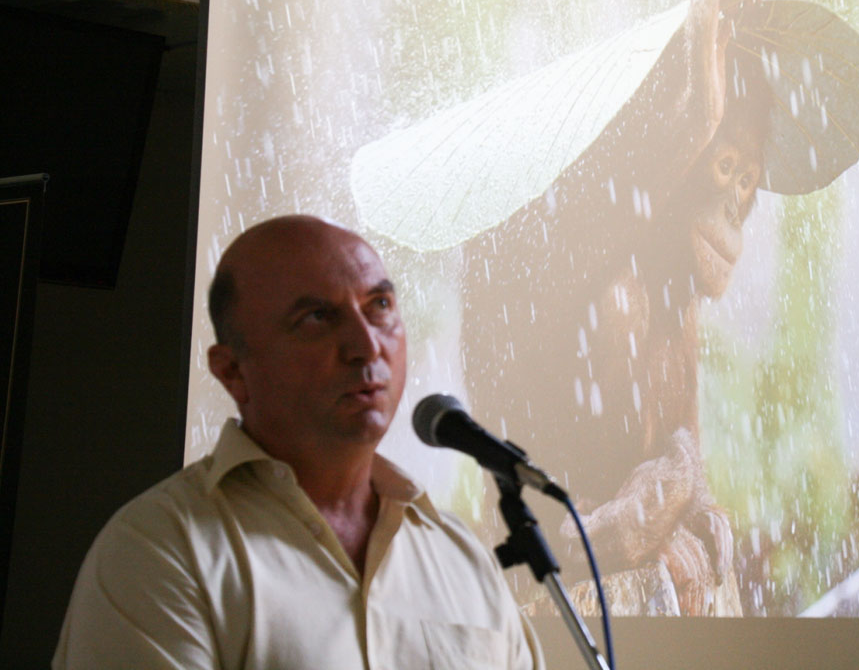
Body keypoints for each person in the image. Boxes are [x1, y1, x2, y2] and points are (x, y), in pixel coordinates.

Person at [53, 215, 543, 669]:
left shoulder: (461, 557)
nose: (366, 346)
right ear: (232, 371)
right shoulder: (160, 548)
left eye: (379, 306)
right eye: (316, 317)